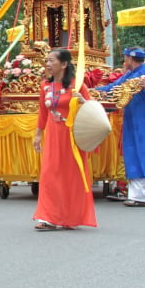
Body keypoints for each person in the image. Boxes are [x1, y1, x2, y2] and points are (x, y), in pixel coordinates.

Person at [97, 47, 145, 207]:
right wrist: (89, 91)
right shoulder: (129, 76)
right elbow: (112, 89)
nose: (124, 62)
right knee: (133, 155)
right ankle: (139, 195)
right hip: (132, 122)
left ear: (130, 59)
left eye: (125, 59)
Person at [31, 49, 96, 230]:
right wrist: (38, 134)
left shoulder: (77, 85)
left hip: (72, 137)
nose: (48, 64)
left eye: (52, 61)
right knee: (50, 174)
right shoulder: (45, 85)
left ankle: (70, 217)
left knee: (71, 175)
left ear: (64, 64)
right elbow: (43, 113)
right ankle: (49, 217)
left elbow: (91, 109)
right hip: (53, 136)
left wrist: (83, 100)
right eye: (47, 61)